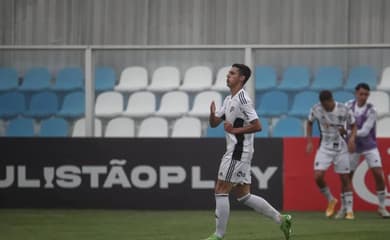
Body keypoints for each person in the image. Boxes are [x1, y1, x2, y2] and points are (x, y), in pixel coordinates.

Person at [205, 63, 292, 240]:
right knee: (244, 196)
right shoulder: (229, 99)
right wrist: (212, 114)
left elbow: (258, 125)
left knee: (221, 189)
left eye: (232, 73)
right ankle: (282, 219)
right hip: (238, 151)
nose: (227, 76)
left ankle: (218, 235)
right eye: (228, 73)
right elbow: (214, 123)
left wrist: (236, 131)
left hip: (238, 152)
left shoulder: (243, 99)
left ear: (241, 78)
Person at [334, 83, 390, 219]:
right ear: (356, 93)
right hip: (352, 147)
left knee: (378, 173)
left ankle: (382, 207)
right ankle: (344, 208)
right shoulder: (348, 106)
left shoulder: (371, 110)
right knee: (347, 177)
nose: (363, 97)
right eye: (361, 94)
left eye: (366, 94)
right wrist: (344, 132)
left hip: (369, 146)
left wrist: (349, 135)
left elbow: (365, 131)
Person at [306, 90, 357, 220]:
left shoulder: (343, 109)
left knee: (345, 178)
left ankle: (349, 210)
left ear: (331, 100)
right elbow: (309, 122)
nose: (324, 107)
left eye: (326, 105)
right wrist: (309, 141)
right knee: (318, 176)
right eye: (322, 105)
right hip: (325, 147)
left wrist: (351, 138)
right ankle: (331, 200)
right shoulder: (316, 109)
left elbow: (354, 125)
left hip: (341, 147)